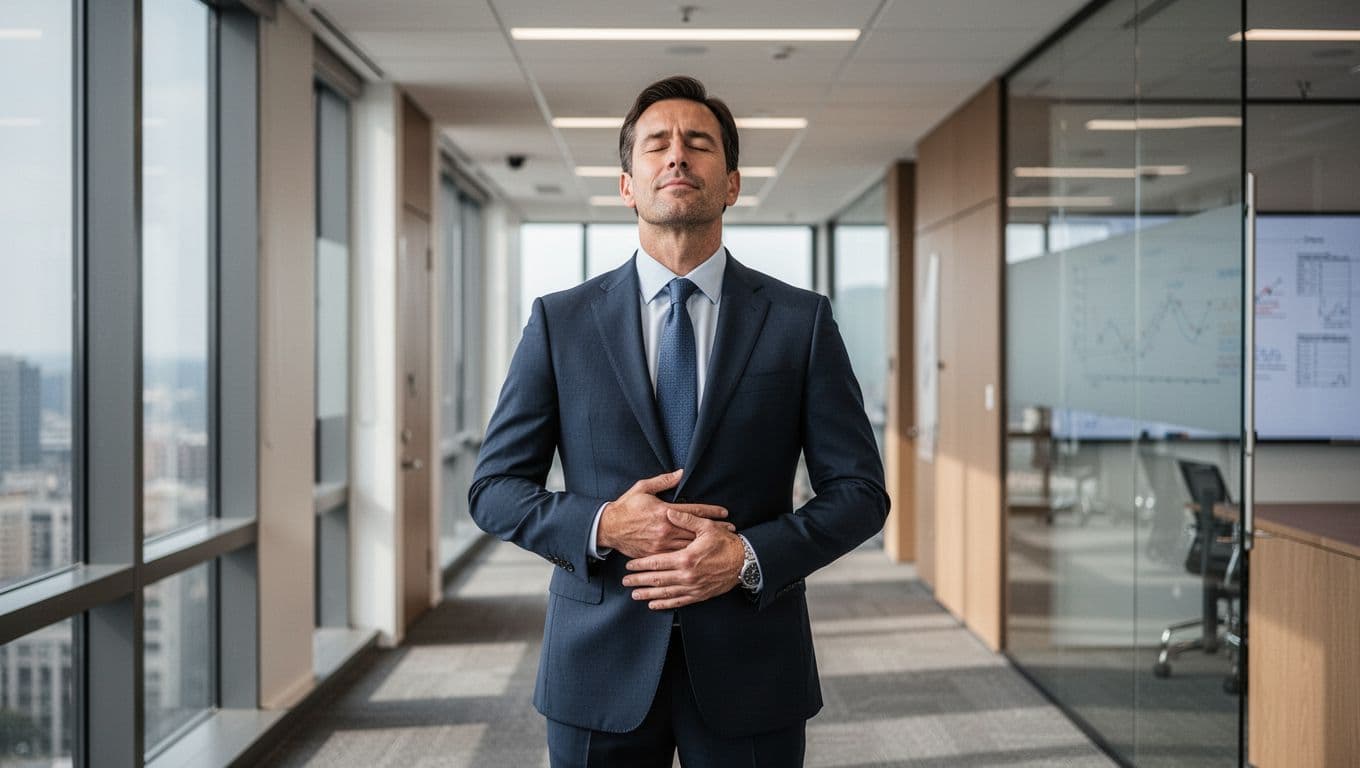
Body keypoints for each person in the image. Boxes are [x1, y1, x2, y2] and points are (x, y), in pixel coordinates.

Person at [470, 75, 888, 767]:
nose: (677, 157)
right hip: (595, 662)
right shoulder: (560, 322)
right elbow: (493, 489)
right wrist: (605, 524)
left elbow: (860, 493)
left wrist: (748, 558)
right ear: (628, 184)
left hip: (752, 663)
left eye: (698, 144)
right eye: (656, 144)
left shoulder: (799, 322)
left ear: (730, 183)